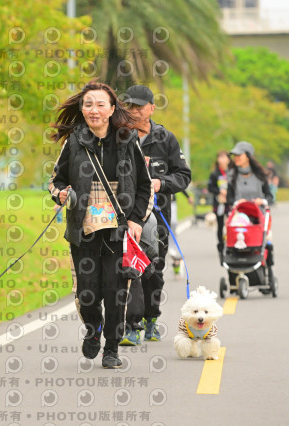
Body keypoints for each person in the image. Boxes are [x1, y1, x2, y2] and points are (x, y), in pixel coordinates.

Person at [47, 81, 152, 368]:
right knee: (88, 292)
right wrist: (61, 193)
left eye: (100, 104)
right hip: (85, 229)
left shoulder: (128, 140)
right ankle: (93, 329)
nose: (94, 110)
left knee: (116, 292)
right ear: (82, 109)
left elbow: (144, 185)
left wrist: (136, 220)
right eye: (88, 104)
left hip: (119, 229)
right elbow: (56, 180)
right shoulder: (74, 142)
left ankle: (112, 349)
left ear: (112, 108)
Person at [119, 85, 191, 346]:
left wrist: (162, 183)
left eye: (139, 107)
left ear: (151, 108)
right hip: (124, 214)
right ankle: (131, 325)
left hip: (158, 215)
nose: (134, 111)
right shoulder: (118, 136)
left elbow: (183, 175)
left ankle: (151, 319)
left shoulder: (165, 138)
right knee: (128, 267)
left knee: (153, 269)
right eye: (129, 106)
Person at [226, 141, 275, 265]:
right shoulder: (231, 176)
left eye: (239, 155)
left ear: (248, 156)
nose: (236, 158)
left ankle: (267, 266)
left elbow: (270, 196)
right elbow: (229, 198)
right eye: (235, 156)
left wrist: (262, 201)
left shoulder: (260, 175)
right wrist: (237, 202)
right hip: (238, 217)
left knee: (266, 242)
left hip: (259, 217)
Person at [207, 150, 230, 263]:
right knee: (220, 225)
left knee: (231, 223)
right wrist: (219, 191)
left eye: (224, 157)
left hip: (230, 203)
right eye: (220, 157)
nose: (221, 160)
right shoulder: (215, 173)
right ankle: (221, 246)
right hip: (219, 203)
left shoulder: (232, 172)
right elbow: (210, 187)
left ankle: (231, 244)